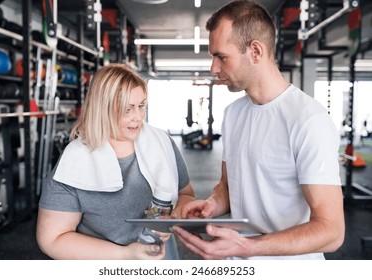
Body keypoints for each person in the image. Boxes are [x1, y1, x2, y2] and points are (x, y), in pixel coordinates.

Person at [172, 0, 345, 260]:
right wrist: (212, 205)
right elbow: (229, 186)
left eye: (221, 56)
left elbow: (332, 231)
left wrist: (249, 247)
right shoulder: (233, 114)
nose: (213, 68)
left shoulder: (308, 120)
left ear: (255, 51)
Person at [36, 63, 195, 260]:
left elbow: (185, 194)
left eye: (141, 106)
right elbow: (52, 239)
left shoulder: (162, 143)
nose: (138, 117)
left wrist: (175, 216)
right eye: (127, 109)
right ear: (103, 109)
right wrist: (125, 254)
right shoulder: (74, 162)